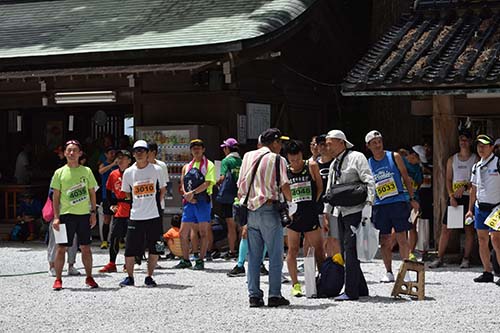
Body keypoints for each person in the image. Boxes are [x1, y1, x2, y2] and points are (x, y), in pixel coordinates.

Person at [237, 128, 292, 308]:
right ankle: (274, 295)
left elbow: (241, 184)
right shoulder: (278, 159)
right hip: (269, 208)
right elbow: (284, 184)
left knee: (254, 256)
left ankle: (254, 296)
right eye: (280, 142)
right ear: (275, 142)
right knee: (275, 255)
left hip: (251, 210)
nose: (281, 146)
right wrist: (291, 204)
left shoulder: (247, 157)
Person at [322, 130, 375, 301]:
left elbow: (369, 180)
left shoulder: (357, 157)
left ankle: (351, 291)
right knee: (346, 250)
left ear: (341, 142)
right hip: (340, 212)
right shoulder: (333, 164)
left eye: (330, 143)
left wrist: (369, 204)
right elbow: (330, 191)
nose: (327, 146)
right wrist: (326, 212)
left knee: (351, 250)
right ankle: (361, 288)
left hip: (356, 209)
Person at [365, 130, 420, 283]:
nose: (378, 145)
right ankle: (388, 271)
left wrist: (412, 198)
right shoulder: (368, 163)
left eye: (379, 141)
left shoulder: (394, 156)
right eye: (374, 142)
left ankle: (405, 271)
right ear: (368, 146)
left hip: (398, 202)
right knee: (384, 239)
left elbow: (405, 177)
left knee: (402, 236)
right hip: (380, 204)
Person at [50, 140, 99, 290]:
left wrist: (93, 212)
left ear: (80, 153)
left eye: (74, 150)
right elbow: (55, 197)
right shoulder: (59, 172)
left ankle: (89, 277)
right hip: (65, 215)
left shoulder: (87, 171)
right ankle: (58, 279)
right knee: (61, 248)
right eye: (69, 150)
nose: (71, 153)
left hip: (84, 214)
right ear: (64, 153)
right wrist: (56, 217)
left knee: (86, 247)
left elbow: (92, 192)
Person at [119, 140, 166, 287]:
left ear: (148, 153)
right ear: (133, 154)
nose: (139, 154)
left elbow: (163, 189)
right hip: (135, 215)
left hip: (154, 215)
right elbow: (126, 192)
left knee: (155, 247)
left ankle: (149, 276)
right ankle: (130, 277)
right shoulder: (128, 172)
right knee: (130, 248)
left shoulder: (157, 170)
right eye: (136, 151)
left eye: (142, 151)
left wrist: (153, 203)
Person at [430, 131, 478, 269]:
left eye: (466, 140)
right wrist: (451, 196)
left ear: (470, 142)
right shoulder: (452, 159)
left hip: (469, 197)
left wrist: (465, 186)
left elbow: (475, 180)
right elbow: (448, 179)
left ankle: (466, 258)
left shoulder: (475, 159)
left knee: (469, 229)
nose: (463, 142)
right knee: (446, 229)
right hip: (455, 198)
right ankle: (439, 257)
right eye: (461, 140)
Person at [284, 140, 324, 297]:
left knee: (319, 250)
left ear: (302, 154)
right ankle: (295, 284)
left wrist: (314, 204)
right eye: (292, 159)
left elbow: (320, 187)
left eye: (297, 159)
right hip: (293, 217)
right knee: (292, 249)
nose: (295, 162)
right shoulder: (285, 170)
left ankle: (322, 280)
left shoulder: (311, 166)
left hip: (310, 213)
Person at [174, 139, 216, 270]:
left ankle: (200, 260)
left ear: (203, 149)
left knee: (203, 232)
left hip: (202, 201)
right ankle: (185, 259)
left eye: (199, 147)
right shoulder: (186, 167)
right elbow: (182, 183)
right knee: (182, 233)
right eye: (193, 148)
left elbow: (208, 183)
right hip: (189, 202)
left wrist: (192, 193)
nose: (196, 150)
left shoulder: (209, 165)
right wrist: (187, 195)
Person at [465, 134, 500, 284]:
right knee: (482, 239)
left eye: (484, 145)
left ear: (492, 147)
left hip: (497, 207)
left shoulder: (498, 163)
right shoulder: (476, 166)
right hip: (480, 207)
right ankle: (487, 271)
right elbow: (473, 189)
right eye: (479, 145)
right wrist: (470, 209)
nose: (481, 148)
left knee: (496, 240)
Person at [99, 150, 132, 273]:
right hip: (119, 207)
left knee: (130, 237)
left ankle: (129, 262)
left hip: (132, 208)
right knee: (114, 237)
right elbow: (107, 190)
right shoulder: (113, 174)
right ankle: (112, 263)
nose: (120, 160)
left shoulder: (133, 173)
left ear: (129, 160)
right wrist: (111, 205)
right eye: (119, 158)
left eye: (123, 158)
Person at [216, 137, 242, 260]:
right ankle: (243, 250)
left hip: (228, 197)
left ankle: (232, 251)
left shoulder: (226, 161)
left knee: (231, 225)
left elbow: (222, 178)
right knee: (241, 225)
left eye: (224, 148)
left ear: (227, 148)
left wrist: (215, 183)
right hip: (241, 195)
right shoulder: (242, 161)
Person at [317, 134, 341, 257]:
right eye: (320, 145)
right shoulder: (313, 165)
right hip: (319, 206)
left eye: (325, 144)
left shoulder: (337, 163)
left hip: (334, 206)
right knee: (321, 240)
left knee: (335, 238)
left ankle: (336, 265)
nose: (323, 148)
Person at [403, 147, 423, 261]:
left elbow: (418, 183)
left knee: (412, 226)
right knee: (397, 227)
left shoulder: (418, 169)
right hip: (400, 198)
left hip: (414, 198)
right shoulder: (400, 162)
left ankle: (411, 251)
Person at [98, 146, 119, 249]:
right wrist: (112, 164)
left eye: (114, 153)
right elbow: (100, 171)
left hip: (117, 195)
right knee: (107, 218)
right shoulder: (104, 164)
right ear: (106, 154)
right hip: (107, 195)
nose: (112, 155)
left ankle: (119, 240)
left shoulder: (118, 165)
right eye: (110, 153)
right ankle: (105, 241)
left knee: (118, 218)